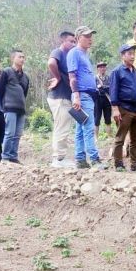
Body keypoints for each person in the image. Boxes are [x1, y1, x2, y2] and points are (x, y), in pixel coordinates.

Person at [67, 26, 106, 170]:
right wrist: (76, 96)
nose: (90, 39)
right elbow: (72, 76)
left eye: (91, 36)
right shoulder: (74, 53)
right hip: (82, 95)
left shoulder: (85, 54)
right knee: (89, 128)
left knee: (80, 128)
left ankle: (80, 160)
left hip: (88, 95)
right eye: (86, 36)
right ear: (78, 38)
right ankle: (95, 160)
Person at [109, 44, 136, 171]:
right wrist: (115, 109)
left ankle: (135, 164)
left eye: (133, 53)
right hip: (124, 109)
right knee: (120, 138)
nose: (132, 56)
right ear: (123, 55)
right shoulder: (117, 71)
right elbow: (113, 91)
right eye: (129, 53)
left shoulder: (135, 71)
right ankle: (118, 164)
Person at [47, 31, 77, 167]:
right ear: (63, 41)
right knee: (61, 127)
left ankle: (60, 157)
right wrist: (58, 78)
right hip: (60, 97)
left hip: (65, 97)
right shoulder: (58, 52)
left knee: (64, 127)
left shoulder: (69, 56)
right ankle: (58, 159)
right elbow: (51, 63)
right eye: (71, 41)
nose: (73, 44)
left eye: (74, 41)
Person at [0, 49, 29, 164]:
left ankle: (13, 157)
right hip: (9, 108)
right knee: (9, 133)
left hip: (21, 109)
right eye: (19, 57)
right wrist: (4, 105)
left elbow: (24, 93)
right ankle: (5, 157)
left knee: (18, 134)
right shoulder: (6, 72)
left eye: (23, 57)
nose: (22, 59)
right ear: (13, 59)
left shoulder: (26, 77)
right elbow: (0, 90)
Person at [94, 61, 113, 139]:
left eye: (103, 67)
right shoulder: (94, 78)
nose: (102, 68)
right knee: (96, 119)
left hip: (107, 99)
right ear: (98, 69)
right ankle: (96, 137)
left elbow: (110, 88)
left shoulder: (109, 78)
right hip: (97, 100)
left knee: (108, 118)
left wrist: (103, 87)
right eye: (100, 67)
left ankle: (109, 136)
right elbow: (94, 88)